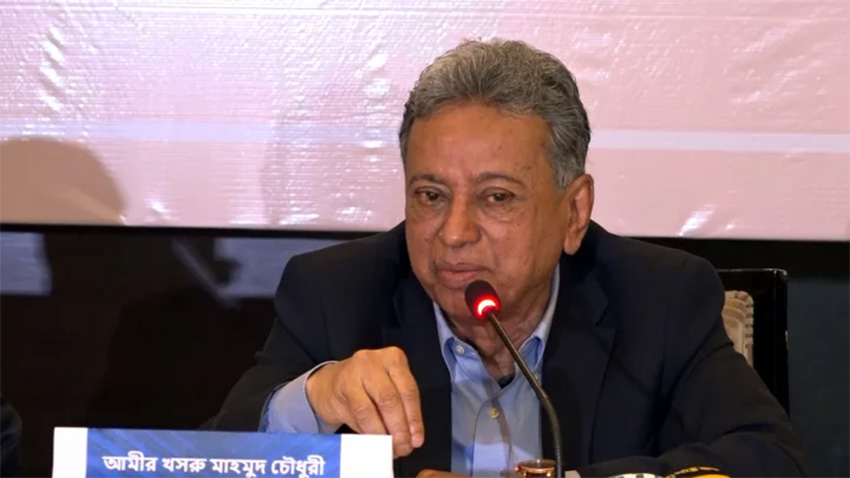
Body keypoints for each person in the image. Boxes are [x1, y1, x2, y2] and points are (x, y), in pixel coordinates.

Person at [212, 38, 806, 477]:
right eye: (430, 196)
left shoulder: (659, 298)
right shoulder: (335, 293)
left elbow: (771, 459)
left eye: (497, 197)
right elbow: (205, 460)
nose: (454, 234)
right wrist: (316, 399)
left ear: (574, 213)